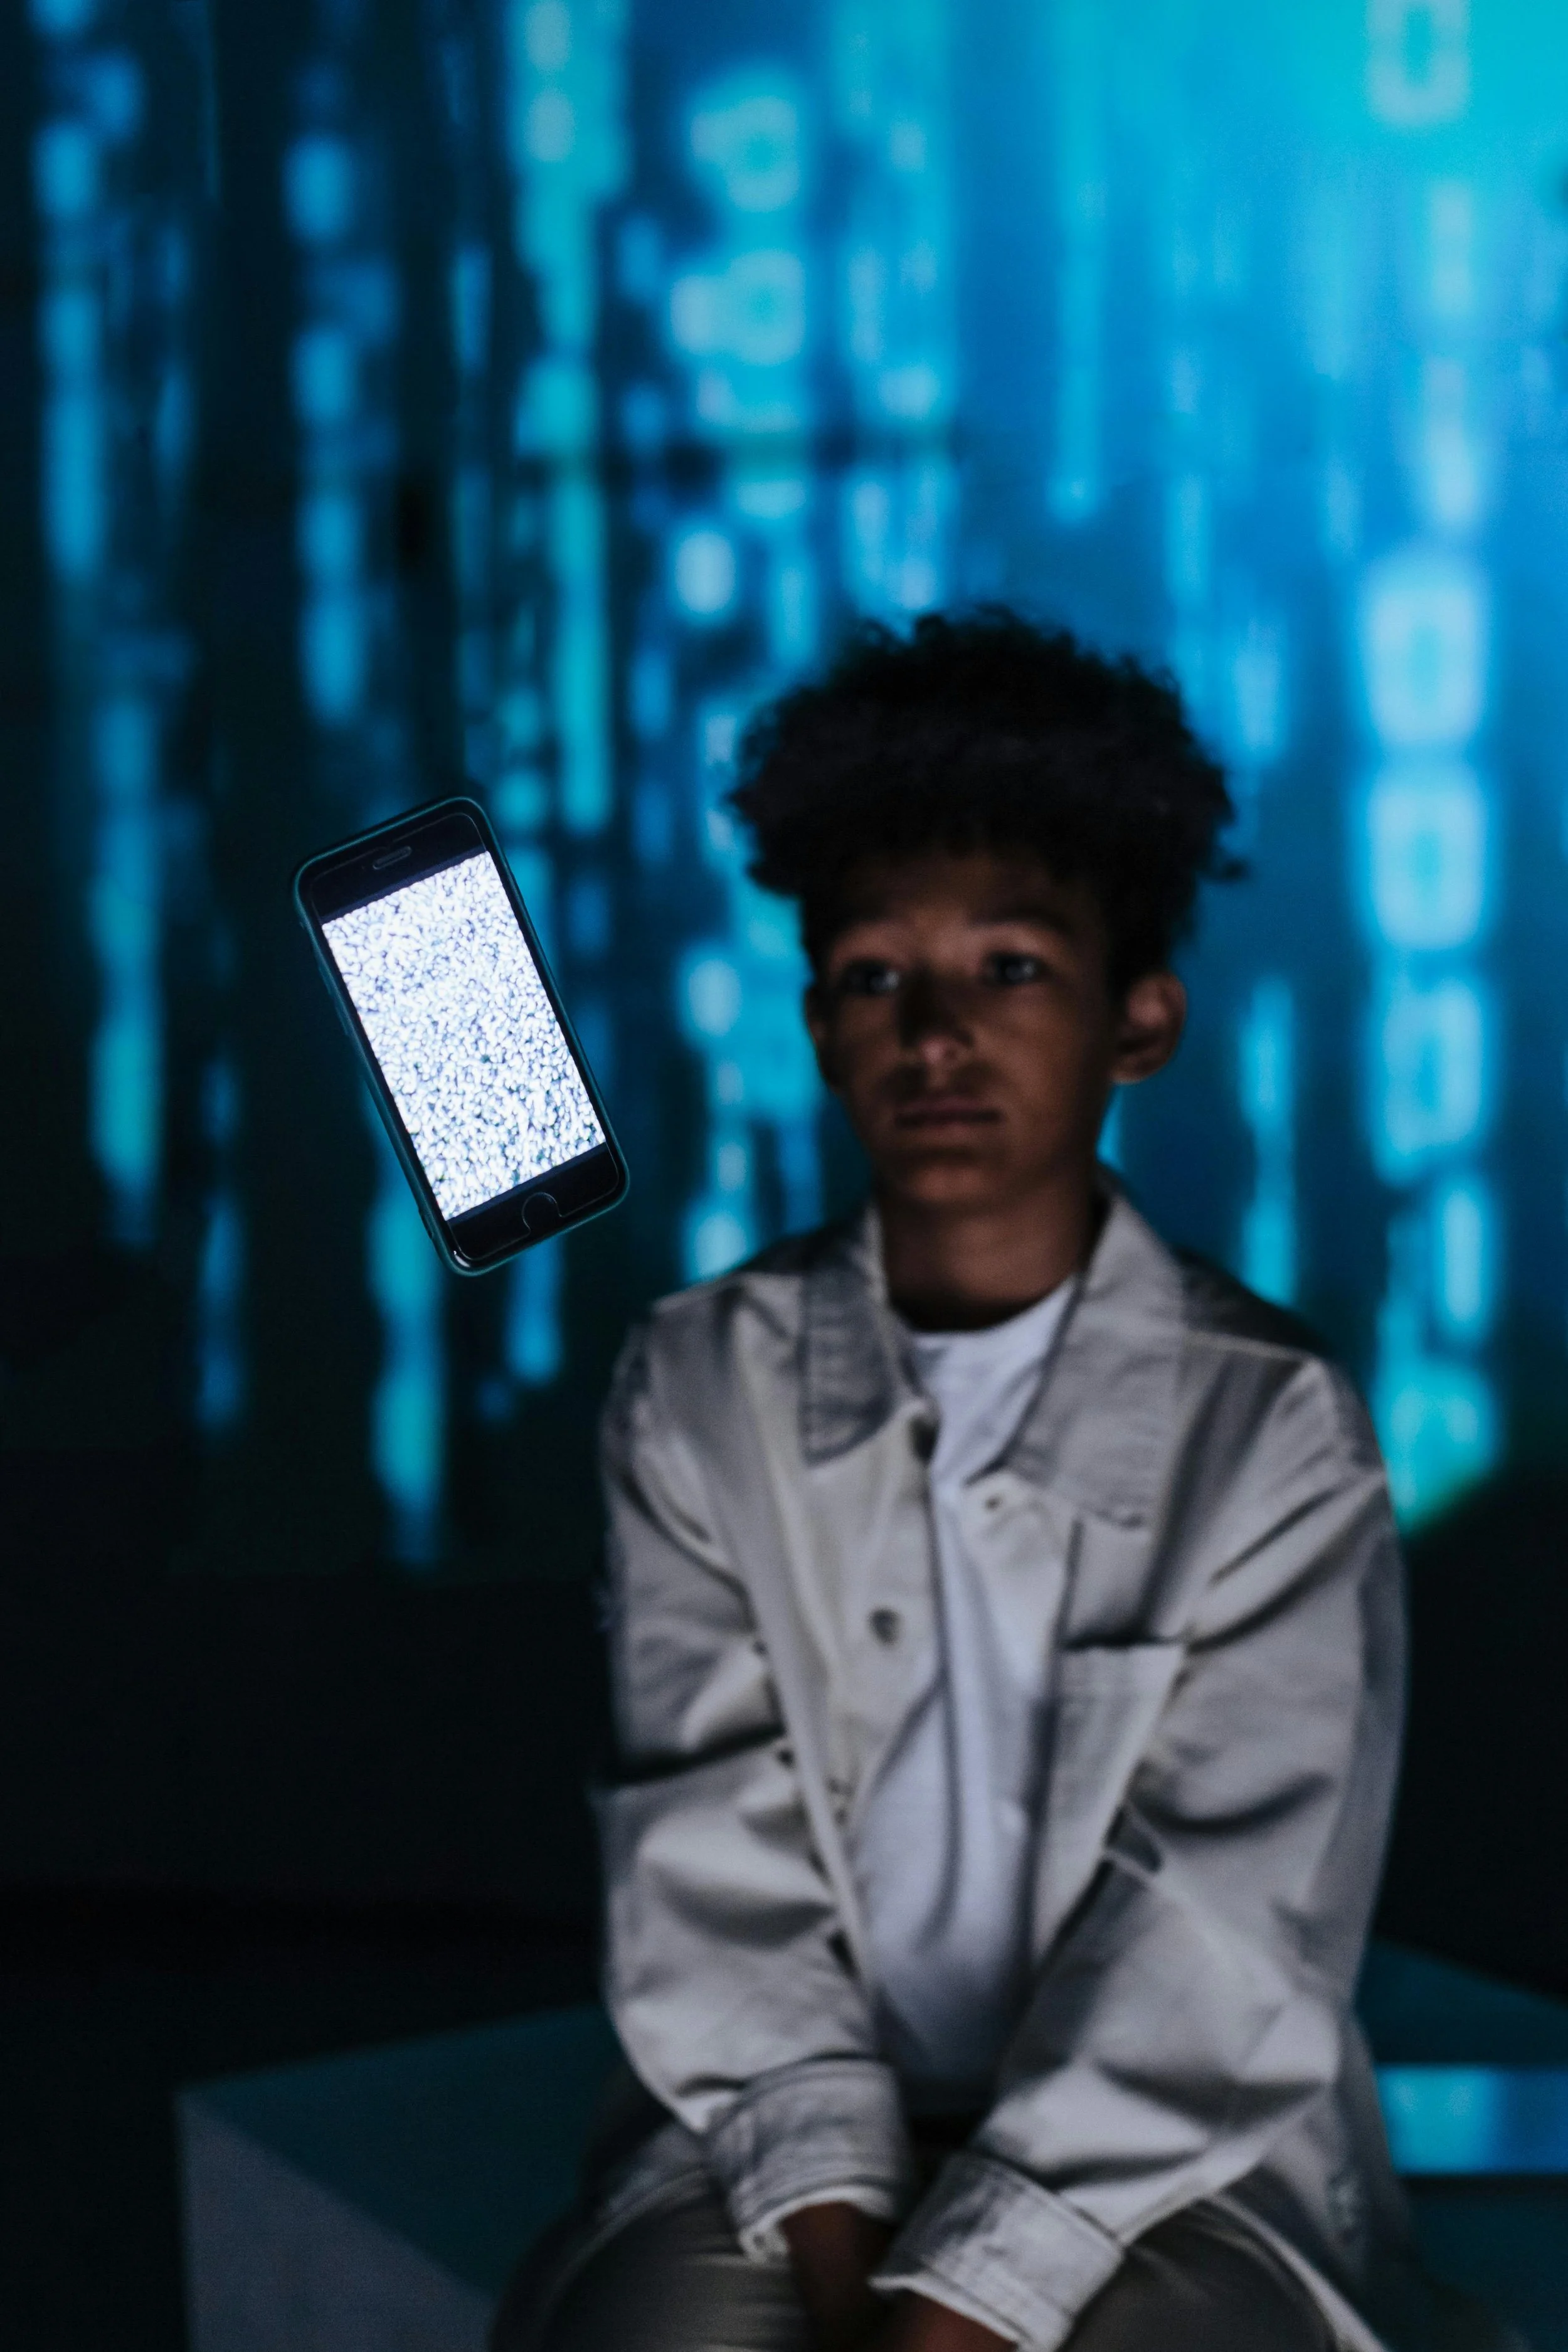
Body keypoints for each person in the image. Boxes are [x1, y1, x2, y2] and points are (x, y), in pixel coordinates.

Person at [493, 613, 1508, 2352]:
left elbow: (1220, 1936)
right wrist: (851, 2272)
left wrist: (959, 2314)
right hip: (761, 2149)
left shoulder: (1270, 1426)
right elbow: (706, 1869)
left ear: (1141, 1019)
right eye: (879, 975)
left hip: (1180, 2176)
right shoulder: (693, 1384)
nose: (937, 1032)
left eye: (1011, 968)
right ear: (819, 1023)